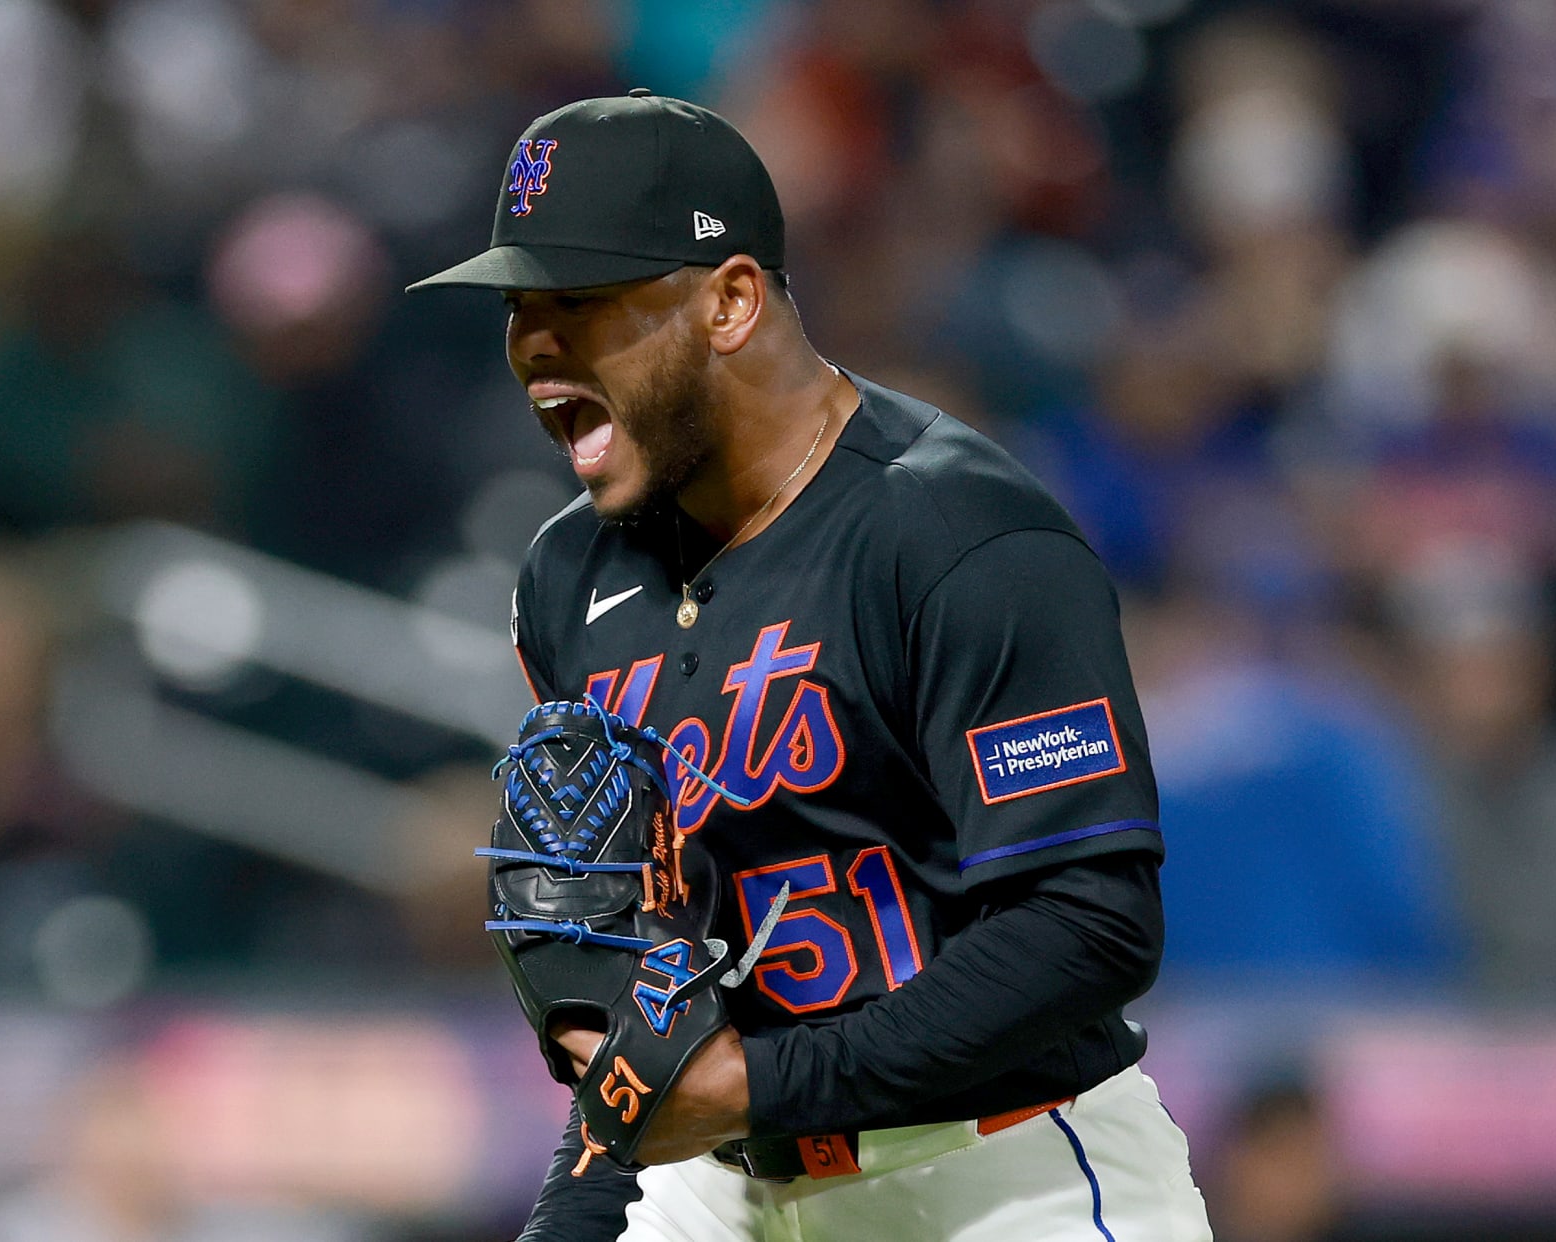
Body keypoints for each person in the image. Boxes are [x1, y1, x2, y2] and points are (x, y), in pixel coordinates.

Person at [409, 92, 1211, 1241]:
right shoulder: (569, 580)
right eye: (518, 307)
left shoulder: (957, 537)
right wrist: (588, 1180)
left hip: (1002, 1171)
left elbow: (1087, 928)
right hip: (725, 1180)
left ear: (731, 301)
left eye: (578, 302)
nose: (535, 346)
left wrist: (761, 1086)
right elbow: (645, 944)